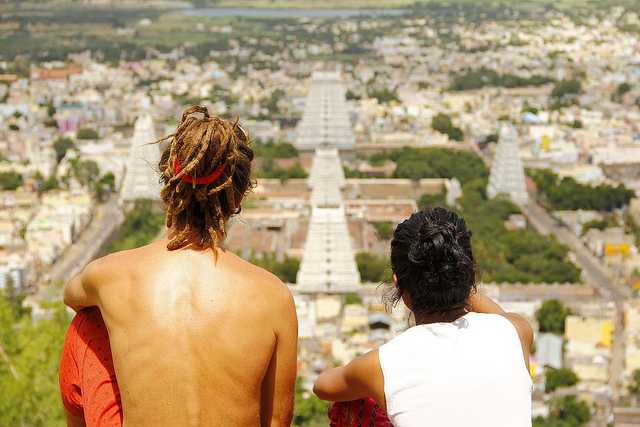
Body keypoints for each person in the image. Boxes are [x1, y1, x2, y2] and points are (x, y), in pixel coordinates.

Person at [61, 106, 298, 427]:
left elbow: (71, 296)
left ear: (168, 184)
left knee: (85, 325)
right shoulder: (273, 296)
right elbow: (278, 421)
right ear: (239, 194)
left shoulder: (109, 275)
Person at [314, 207, 534, 427]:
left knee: (350, 404)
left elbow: (322, 386)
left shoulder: (381, 364)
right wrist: (454, 274)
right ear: (468, 275)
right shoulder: (516, 332)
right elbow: (499, 317)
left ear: (399, 285)